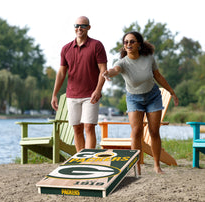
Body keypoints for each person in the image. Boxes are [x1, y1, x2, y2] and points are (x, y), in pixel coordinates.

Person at [102, 31, 179, 174]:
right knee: (136, 131)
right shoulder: (122, 63)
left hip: (153, 97)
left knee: (154, 131)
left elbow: (158, 76)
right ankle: (136, 167)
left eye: (132, 41)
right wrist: (108, 73)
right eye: (126, 42)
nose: (128, 44)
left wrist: (171, 92)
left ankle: (157, 166)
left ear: (139, 44)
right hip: (134, 99)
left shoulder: (149, 58)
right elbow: (115, 70)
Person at [51, 16, 107, 153]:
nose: (79, 28)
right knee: (76, 128)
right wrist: (54, 95)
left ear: (89, 27)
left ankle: (89, 160)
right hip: (72, 95)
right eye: (77, 25)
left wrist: (98, 90)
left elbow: (103, 71)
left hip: (91, 95)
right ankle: (81, 159)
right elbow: (61, 73)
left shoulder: (96, 45)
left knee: (88, 127)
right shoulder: (66, 48)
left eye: (82, 25)